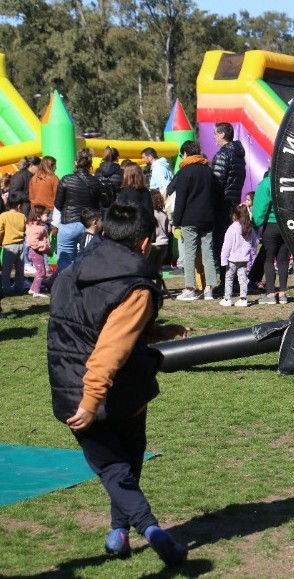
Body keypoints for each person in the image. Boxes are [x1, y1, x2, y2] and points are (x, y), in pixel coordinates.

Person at [47, 202, 189, 567]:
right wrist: (91, 399)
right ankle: (152, 529)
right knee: (118, 467)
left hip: (69, 386)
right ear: (143, 244)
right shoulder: (136, 287)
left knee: (120, 465)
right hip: (106, 393)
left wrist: (157, 331)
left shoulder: (69, 272)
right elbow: (109, 349)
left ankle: (119, 531)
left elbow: (91, 328)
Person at [171, 140, 223, 301]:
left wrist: (176, 221)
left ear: (185, 153)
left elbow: (180, 199)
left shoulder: (185, 172)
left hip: (189, 219)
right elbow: (216, 195)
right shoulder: (208, 171)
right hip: (207, 218)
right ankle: (209, 289)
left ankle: (190, 288)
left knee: (190, 254)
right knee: (208, 253)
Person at [53, 148, 104, 270]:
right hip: (89, 225)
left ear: (75, 163)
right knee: (86, 259)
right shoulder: (96, 182)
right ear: (90, 164)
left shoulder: (66, 179)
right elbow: (98, 205)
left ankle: (65, 285)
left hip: (69, 223)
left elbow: (58, 204)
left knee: (65, 259)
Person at [252, 168, 290, 304]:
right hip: (288, 226)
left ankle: (270, 293)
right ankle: (283, 293)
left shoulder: (266, 183)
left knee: (268, 259)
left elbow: (260, 209)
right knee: (283, 260)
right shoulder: (291, 182)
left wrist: (255, 225)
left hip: (271, 225)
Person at [219, 204, 258, 307]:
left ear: (235, 215)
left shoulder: (232, 228)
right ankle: (243, 299)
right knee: (243, 279)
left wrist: (223, 259)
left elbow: (226, 245)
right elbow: (255, 242)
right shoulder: (249, 228)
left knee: (229, 278)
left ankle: (227, 299)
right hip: (244, 259)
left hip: (232, 259)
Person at [211, 122, 247, 207]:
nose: (214, 137)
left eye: (215, 134)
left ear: (222, 134)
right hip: (234, 204)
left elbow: (216, 183)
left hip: (222, 205)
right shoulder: (238, 155)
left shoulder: (223, 155)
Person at [0, 192, 27, 294]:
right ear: (19, 206)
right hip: (21, 245)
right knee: (20, 269)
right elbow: (25, 230)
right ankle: (19, 287)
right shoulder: (22, 216)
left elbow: (1, 230)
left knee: (6, 269)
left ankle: (5, 288)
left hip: (8, 245)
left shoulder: (3, 215)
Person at [25, 204, 51, 297]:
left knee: (41, 271)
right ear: (38, 216)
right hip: (35, 252)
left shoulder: (37, 227)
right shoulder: (37, 228)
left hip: (37, 252)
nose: (47, 217)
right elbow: (32, 241)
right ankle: (36, 291)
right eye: (45, 215)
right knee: (41, 272)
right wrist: (44, 245)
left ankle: (32, 289)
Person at [149, 190, 171, 297]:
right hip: (164, 243)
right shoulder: (164, 214)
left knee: (150, 267)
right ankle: (158, 289)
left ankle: (151, 289)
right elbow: (168, 230)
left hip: (154, 244)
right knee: (158, 268)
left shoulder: (150, 214)